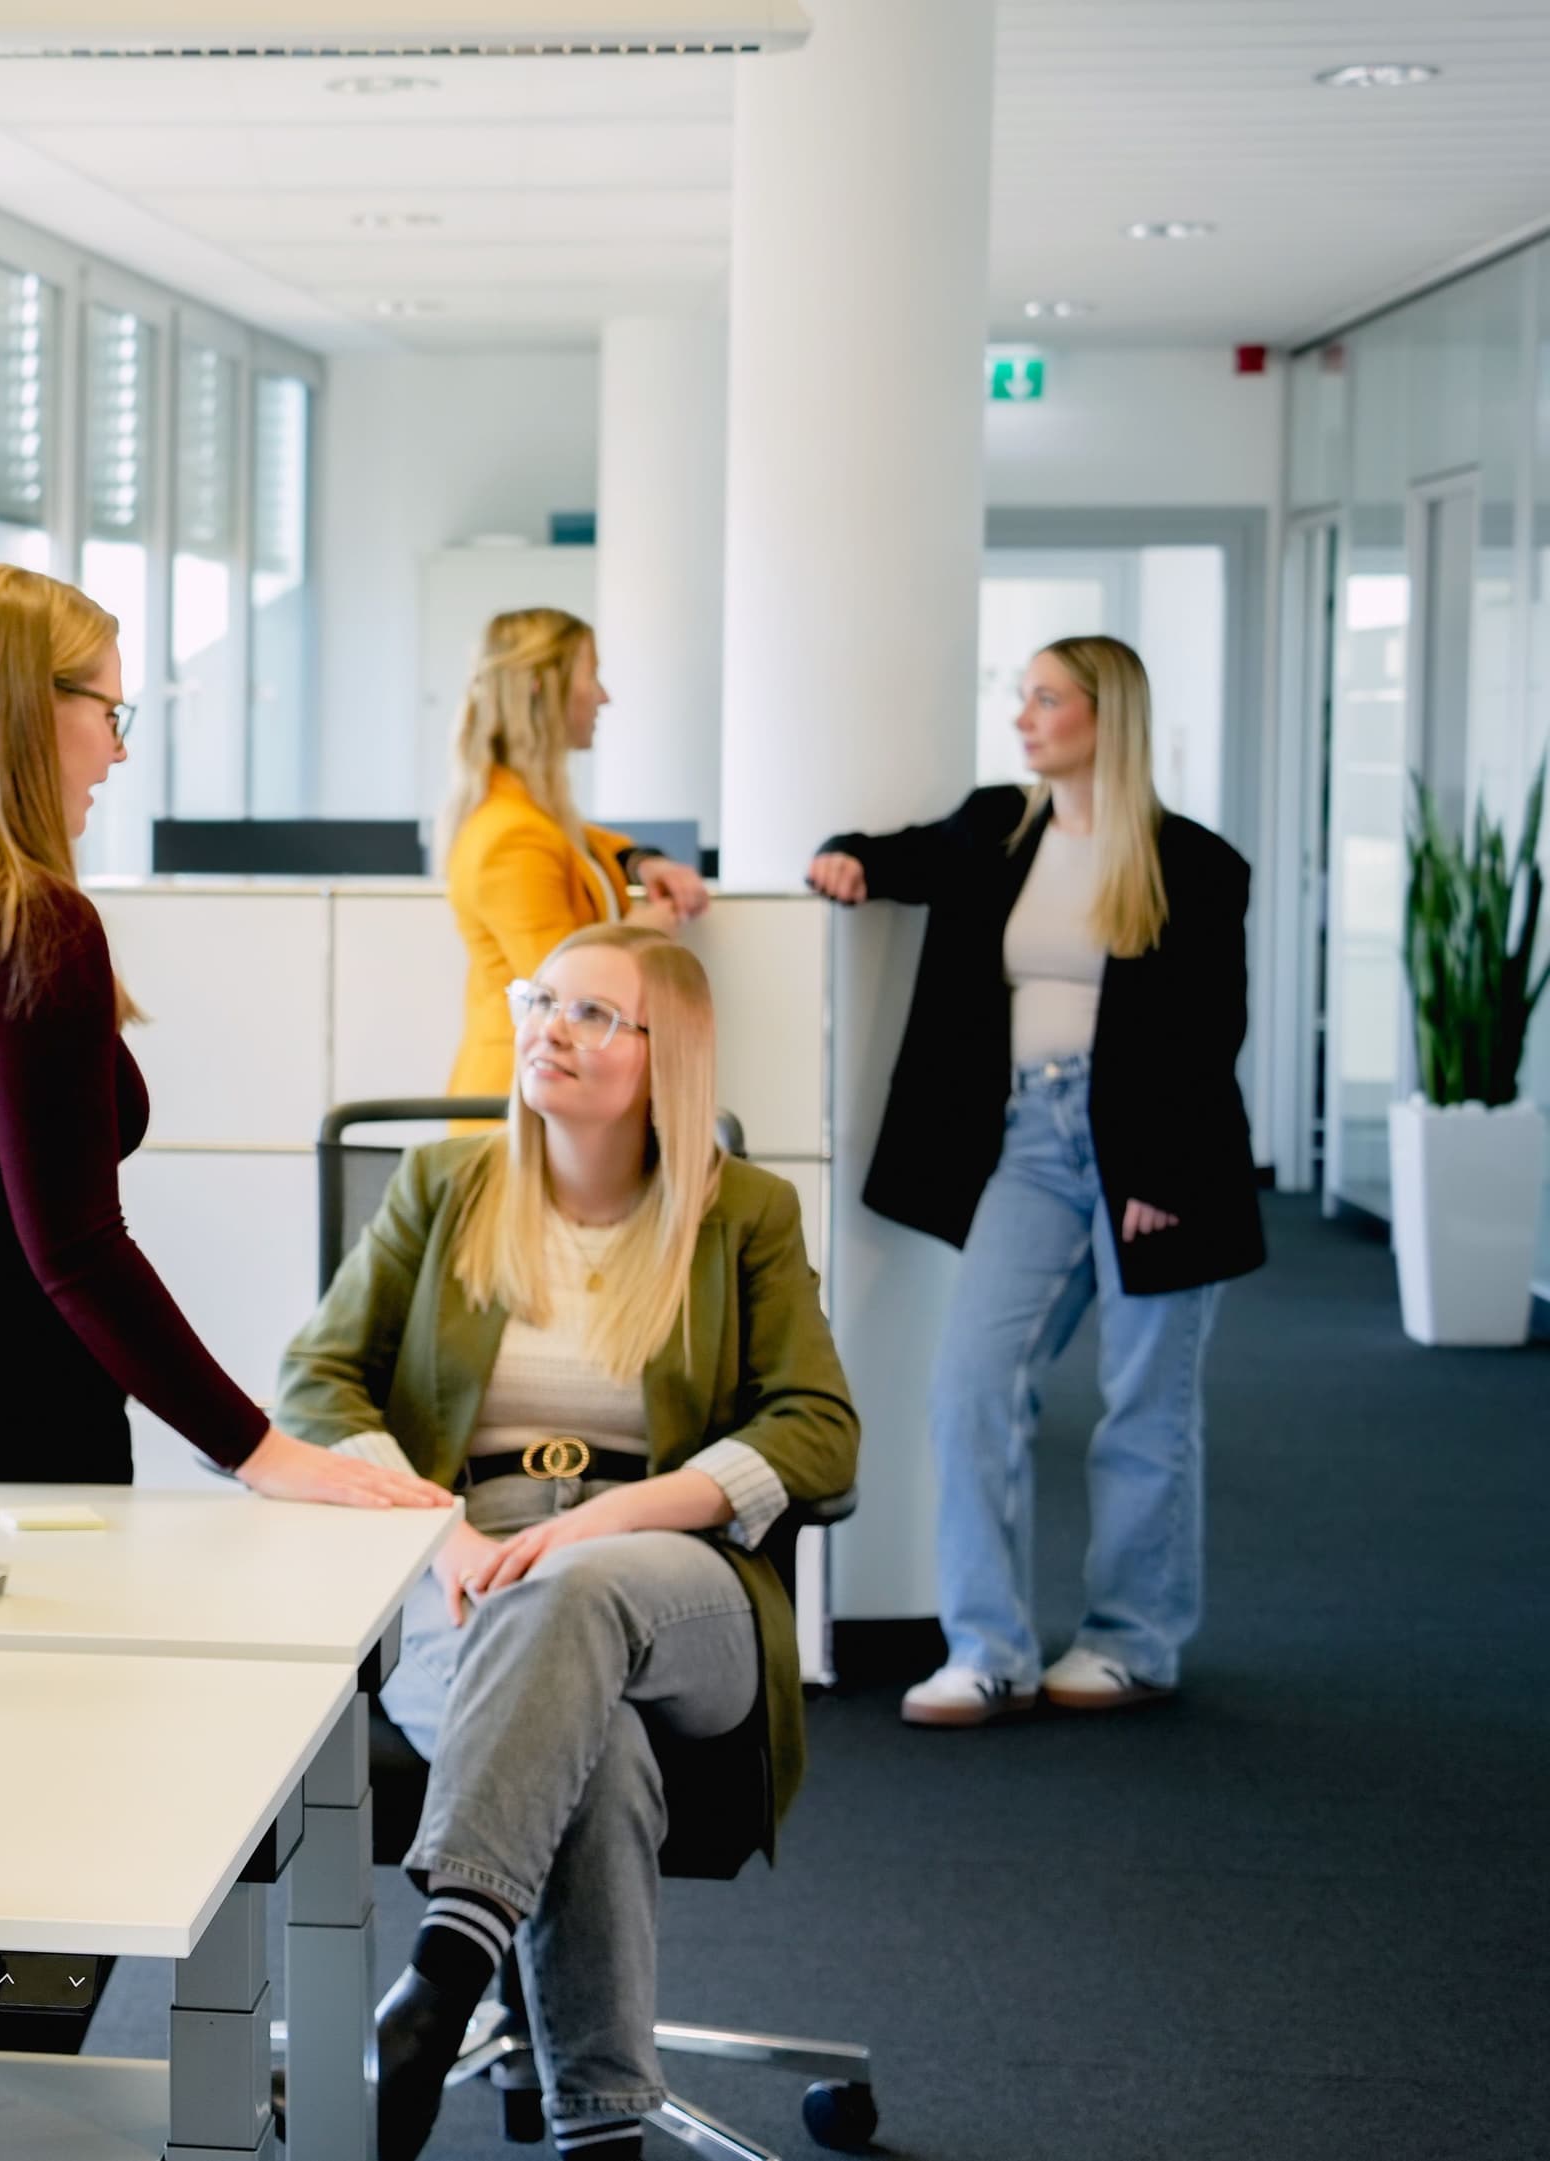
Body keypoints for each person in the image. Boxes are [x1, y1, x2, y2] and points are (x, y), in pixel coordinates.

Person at [0, 562, 450, 2051]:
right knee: (55, 1856)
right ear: (19, 713)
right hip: (41, 1445)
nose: (119, 747)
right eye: (107, 708)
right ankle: (8, 2099)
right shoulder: (39, 925)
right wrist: (261, 1449)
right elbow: (77, 1251)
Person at [278, 923, 856, 2161]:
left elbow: (818, 1431)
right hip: (462, 1571)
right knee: (595, 1751)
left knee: (578, 1593)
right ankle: (602, 2124)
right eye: (541, 1000)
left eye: (593, 1013)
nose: (549, 1027)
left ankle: (436, 1976)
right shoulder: (446, 1186)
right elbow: (319, 1384)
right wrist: (434, 1532)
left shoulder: (741, 1211)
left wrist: (600, 1521)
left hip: (670, 1580)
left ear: (670, 1054)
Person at [807, 634, 1262, 1728]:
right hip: (1033, 1139)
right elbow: (898, 854)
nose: (1025, 717)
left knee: (1146, 1405)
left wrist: (1163, 1169)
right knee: (970, 1382)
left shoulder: (1193, 863)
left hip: (1153, 1151)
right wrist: (846, 856)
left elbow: (1211, 1034)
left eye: (1047, 699)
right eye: (1022, 699)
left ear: (1106, 716)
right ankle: (988, 1646)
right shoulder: (998, 829)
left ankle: (1132, 1640)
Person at [438, 608, 709, 1097]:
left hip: (547, 1095)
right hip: (516, 1105)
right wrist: (641, 934)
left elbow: (586, 842)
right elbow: (562, 990)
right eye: (592, 676)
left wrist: (642, 862)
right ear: (543, 687)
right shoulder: (511, 836)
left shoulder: (530, 815)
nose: (604, 697)